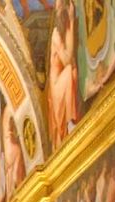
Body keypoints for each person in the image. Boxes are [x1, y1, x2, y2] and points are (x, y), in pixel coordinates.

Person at [47, 0, 78, 149]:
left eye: (62, 7)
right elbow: (67, 59)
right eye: (58, 8)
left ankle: (71, 117)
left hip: (62, 78)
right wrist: (71, 21)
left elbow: (70, 57)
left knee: (72, 72)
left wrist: (71, 22)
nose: (60, 10)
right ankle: (70, 120)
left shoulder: (65, 30)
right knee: (68, 71)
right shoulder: (55, 34)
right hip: (56, 86)